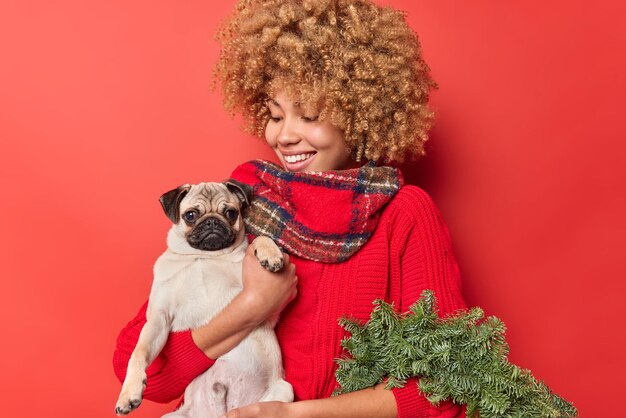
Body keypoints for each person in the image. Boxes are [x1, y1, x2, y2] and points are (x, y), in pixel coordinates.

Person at [113, 0, 467, 416]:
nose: (285, 136)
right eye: (276, 115)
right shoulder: (245, 201)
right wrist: (251, 308)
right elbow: (141, 373)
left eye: (310, 115)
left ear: (359, 115)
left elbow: (448, 385)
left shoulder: (403, 214)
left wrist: (295, 414)